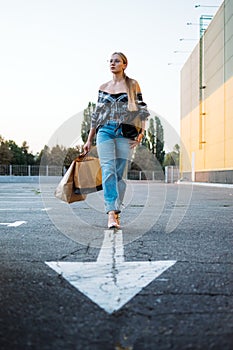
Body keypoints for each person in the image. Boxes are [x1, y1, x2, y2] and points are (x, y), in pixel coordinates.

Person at [83, 52, 149, 229]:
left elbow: (143, 109)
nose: (112, 63)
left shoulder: (132, 84)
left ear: (124, 65)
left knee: (120, 173)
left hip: (125, 132)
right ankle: (111, 213)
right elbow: (96, 115)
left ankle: (116, 211)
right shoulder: (103, 87)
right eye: (110, 61)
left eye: (117, 61)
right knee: (108, 169)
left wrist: (141, 132)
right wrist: (89, 140)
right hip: (105, 131)